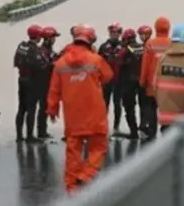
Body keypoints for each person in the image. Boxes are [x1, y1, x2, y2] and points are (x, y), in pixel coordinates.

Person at [47, 26, 113, 194]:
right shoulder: (96, 60)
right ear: (90, 41)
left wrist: (52, 109)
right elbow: (108, 76)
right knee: (98, 147)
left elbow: (54, 89)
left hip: (72, 114)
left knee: (73, 151)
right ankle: (86, 175)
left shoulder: (60, 63)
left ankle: (72, 186)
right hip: (94, 114)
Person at [139, 17, 172, 138]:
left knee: (151, 108)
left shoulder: (150, 43)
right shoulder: (172, 44)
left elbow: (145, 65)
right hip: (168, 84)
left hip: (152, 84)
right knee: (166, 109)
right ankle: (166, 131)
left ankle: (151, 132)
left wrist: (142, 81)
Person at [14, 24, 47, 142]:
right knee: (31, 108)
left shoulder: (21, 46)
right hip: (31, 81)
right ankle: (29, 136)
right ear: (37, 36)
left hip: (21, 79)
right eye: (40, 35)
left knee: (21, 108)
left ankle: (19, 136)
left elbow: (16, 62)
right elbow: (40, 66)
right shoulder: (35, 50)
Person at [115, 28, 145, 139]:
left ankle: (133, 132)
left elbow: (118, 67)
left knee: (129, 108)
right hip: (141, 82)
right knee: (144, 106)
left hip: (128, 83)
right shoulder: (143, 48)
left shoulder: (124, 51)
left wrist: (116, 82)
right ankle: (144, 129)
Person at [98, 23, 124, 134]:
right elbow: (98, 62)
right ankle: (103, 125)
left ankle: (116, 126)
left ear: (119, 34)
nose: (113, 35)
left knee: (117, 104)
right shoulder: (103, 47)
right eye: (111, 33)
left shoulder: (124, 46)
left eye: (115, 33)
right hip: (106, 80)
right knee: (104, 104)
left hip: (119, 81)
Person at [36, 26, 61, 139]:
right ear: (47, 38)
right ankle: (41, 132)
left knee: (45, 107)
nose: (55, 39)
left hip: (48, 82)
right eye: (53, 37)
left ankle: (43, 130)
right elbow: (46, 66)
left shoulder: (50, 51)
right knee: (43, 107)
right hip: (42, 83)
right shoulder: (42, 51)